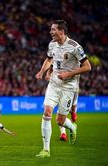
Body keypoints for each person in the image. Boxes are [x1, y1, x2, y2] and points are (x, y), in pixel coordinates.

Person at [35, 20, 91, 157]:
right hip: (54, 84)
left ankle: (72, 127)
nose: (51, 32)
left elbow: (87, 67)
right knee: (47, 112)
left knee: (60, 121)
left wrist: (68, 74)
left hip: (68, 87)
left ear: (62, 31)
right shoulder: (52, 44)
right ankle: (46, 150)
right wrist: (42, 72)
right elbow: (48, 60)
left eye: (53, 30)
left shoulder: (75, 47)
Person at [45, 65, 78, 141]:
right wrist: (48, 75)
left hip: (69, 90)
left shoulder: (74, 61)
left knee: (61, 118)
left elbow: (87, 67)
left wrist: (73, 107)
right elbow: (50, 67)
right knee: (51, 112)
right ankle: (63, 133)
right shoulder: (57, 55)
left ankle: (70, 128)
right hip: (55, 88)